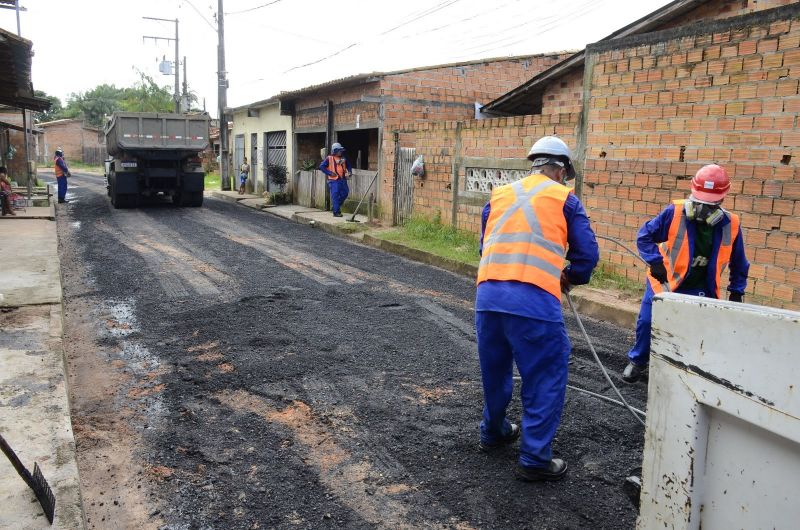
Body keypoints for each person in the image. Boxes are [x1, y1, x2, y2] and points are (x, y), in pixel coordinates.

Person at [476, 136, 599, 481]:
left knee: (495, 370)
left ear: (534, 164)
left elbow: (484, 245)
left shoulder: (500, 195)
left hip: (488, 297)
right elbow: (587, 257)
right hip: (534, 302)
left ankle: (494, 432)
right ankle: (534, 459)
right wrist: (570, 276)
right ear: (561, 170)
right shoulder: (565, 199)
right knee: (544, 376)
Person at [622, 164, 749, 383]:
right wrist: (655, 262)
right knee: (647, 321)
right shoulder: (675, 212)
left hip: (702, 286)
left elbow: (740, 262)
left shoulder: (731, 225)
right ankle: (638, 361)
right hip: (665, 280)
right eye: (700, 203)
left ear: (722, 200)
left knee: (700, 331)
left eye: (710, 205)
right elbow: (644, 235)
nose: (704, 210)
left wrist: (737, 291)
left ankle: (691, 370)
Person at [319, 142, 351, 217]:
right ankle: (336, 212)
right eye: (339, 150)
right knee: (335, 195)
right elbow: (321, 167)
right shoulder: (329, 158)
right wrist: (330, 173)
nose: (341, 152)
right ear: (335, 151)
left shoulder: (343, 158)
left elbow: (349, 166)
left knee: (345, 193)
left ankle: (335, 207)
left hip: (342, 179)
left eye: (341, 150)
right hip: (333, 180)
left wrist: (349, 172)